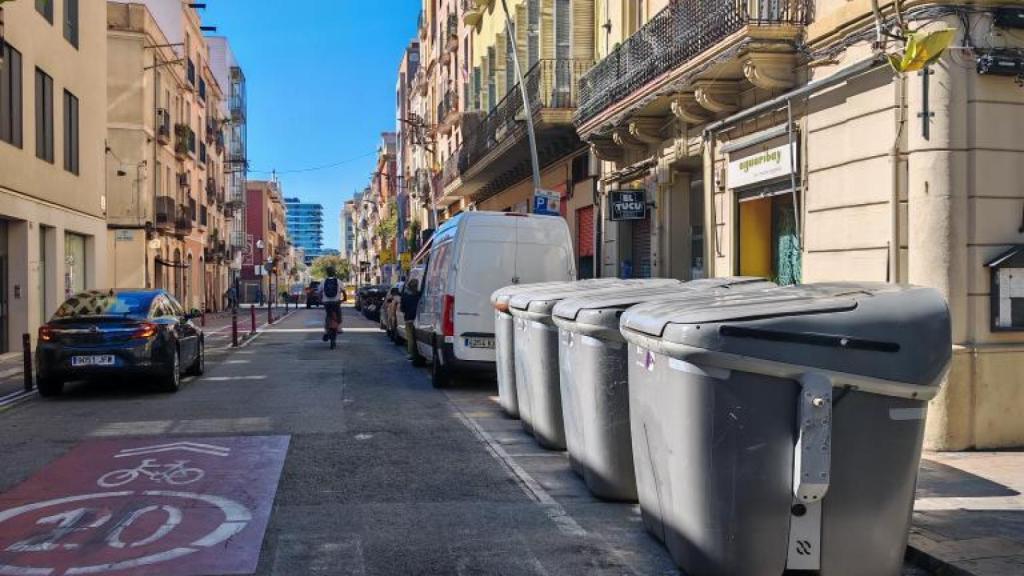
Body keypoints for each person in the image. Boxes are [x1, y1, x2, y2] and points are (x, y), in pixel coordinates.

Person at [400, 278, 421, 361]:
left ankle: (412, 354)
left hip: (409, 319)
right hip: (418, 319)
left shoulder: (405, 296)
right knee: (417, 337)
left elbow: (402, 309)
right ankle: (417, 353)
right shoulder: (419, 295)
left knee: (410, 338)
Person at [320, 267, 343, 341]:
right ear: (334, 272)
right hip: (336, 302)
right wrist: (344, 299)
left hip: (326, 302)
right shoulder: (338, 281)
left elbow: (319, 292)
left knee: (328, 315)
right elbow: (344, 292)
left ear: (327, 273)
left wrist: (321, 300)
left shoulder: (323, 281)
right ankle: (339, 327)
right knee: (338, 314)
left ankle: (326, 331)